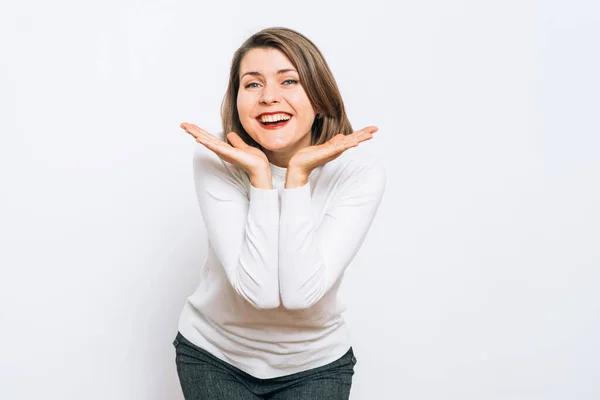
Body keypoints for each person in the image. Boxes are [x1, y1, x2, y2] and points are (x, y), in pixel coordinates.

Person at [174, 27, 386, 400]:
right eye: (252, 85)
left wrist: (297, 176)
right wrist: (259, 176)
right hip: (214, 355)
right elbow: (257, 292)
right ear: (237, 99)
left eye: (289, 81)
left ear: (319, 99)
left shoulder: (358, 173)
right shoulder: (216, 158)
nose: (269, 97)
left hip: (316, 365)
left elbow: (300, 294)